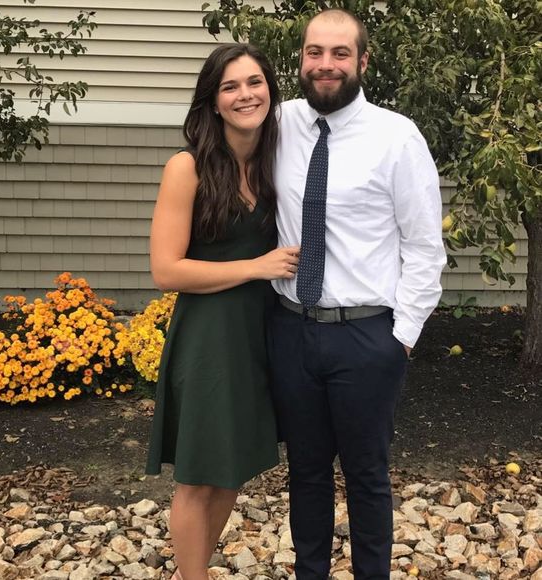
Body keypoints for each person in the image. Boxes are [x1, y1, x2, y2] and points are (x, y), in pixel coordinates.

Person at [270, 9, 446, 580]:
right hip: (292, 329)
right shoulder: (277, 124)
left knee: (367, 475)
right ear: (301, 59)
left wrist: (402, 337)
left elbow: (424, 246)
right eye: (314, 52)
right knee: (305, 473)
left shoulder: (397, 137)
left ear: (362, 62)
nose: (326, 65)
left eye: (340, 53)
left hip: (367, 337)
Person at [145, 44, 299, 580]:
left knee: (233, 469)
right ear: (212, 101)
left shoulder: (275, 164)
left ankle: (193, 571)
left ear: (270, 90)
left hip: (260, 334)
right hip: (209, 337)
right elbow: (166, 270)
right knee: (198, 475)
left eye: (255, 82)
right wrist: (256, 266)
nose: (244, 95)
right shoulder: (186, 167)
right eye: (230, 86)